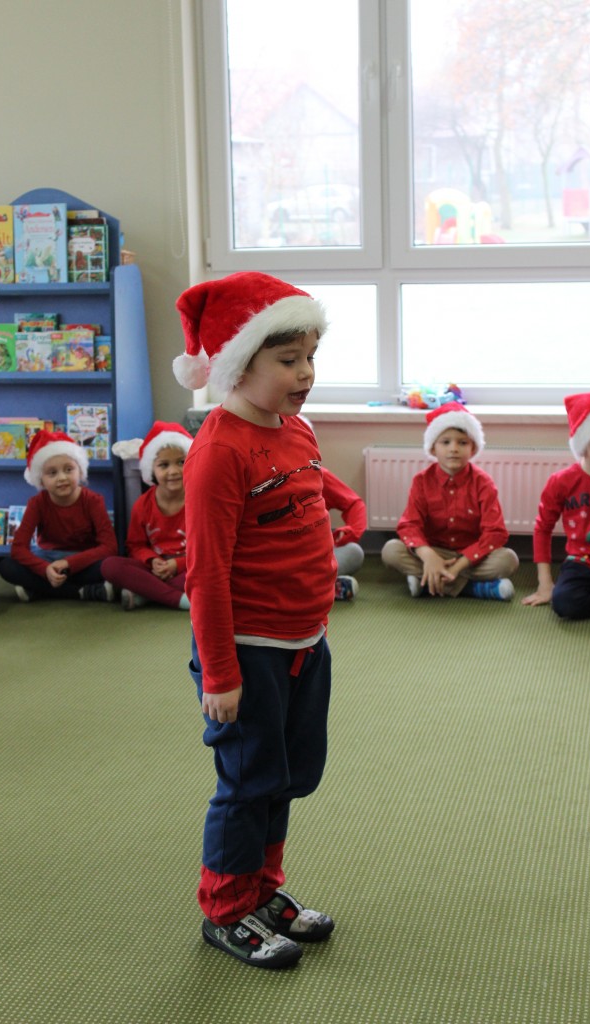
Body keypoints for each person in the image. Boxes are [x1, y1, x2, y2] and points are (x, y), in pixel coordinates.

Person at [173, 271, 337, 970]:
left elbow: (312, 490)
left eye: (310, 357)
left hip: (304, 640)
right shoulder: (218, 451)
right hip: (247, 650)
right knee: (247, 782)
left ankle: (263, 890)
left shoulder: (294, 429)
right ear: (239, 364)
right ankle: (225, 906)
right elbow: (205, 573)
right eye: (288, 359)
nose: (305, 374)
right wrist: (220, 672)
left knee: (287, 774)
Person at [381, 402, 519, 599]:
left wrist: (459, 565)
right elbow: (409, 525)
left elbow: (495, 533)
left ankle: (430, 582)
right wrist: (429, 557)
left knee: (507, 560)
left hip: (471, 557)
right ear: (433, 448)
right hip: (434, 551)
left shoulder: (483, 483)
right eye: (445, 442)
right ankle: (472, 587)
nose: (453, 449)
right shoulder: (422, 481)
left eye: (462, 443)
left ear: (473, 448)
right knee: (391, 551)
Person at [522, 390, 590, 619]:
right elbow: (543, 529)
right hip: (581, 562)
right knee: (563, 603)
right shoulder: (561, 482)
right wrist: (545, 584)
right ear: (583, 440)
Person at [0, 429, 117, 602]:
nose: (62, 478)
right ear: (41, 479)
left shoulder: (93, 501)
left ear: (80, 471)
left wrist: (69, 564)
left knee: (111, 565)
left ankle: (39, 589)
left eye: (68, 469)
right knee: (7, 567)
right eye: (52, 473)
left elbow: (109, 547)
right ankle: (82, 592)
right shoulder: (37, 503)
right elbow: (18, 549)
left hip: (83, 561)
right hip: (48, 559)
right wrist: (44, 569)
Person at [101, 421, 192, 610]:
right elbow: (135, 545)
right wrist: (152, 560)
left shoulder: (199, 501)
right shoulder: (142, 504)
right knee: (110, 566)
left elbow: (208, 548)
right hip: (154, 568)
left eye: (181, 462)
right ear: (151, 469)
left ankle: (146, 593)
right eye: (164, 465)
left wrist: (177, 564)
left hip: (188, 567)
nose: (173, 471)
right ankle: (177, 599)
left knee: (213, 570)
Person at [298, 415, 366, 601]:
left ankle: (311, 587)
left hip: (314, 558)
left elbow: (354, 503)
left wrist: (352, 531)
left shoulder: (318, 474)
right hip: (277, 561)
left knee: (353, 552)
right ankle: (321, 587)